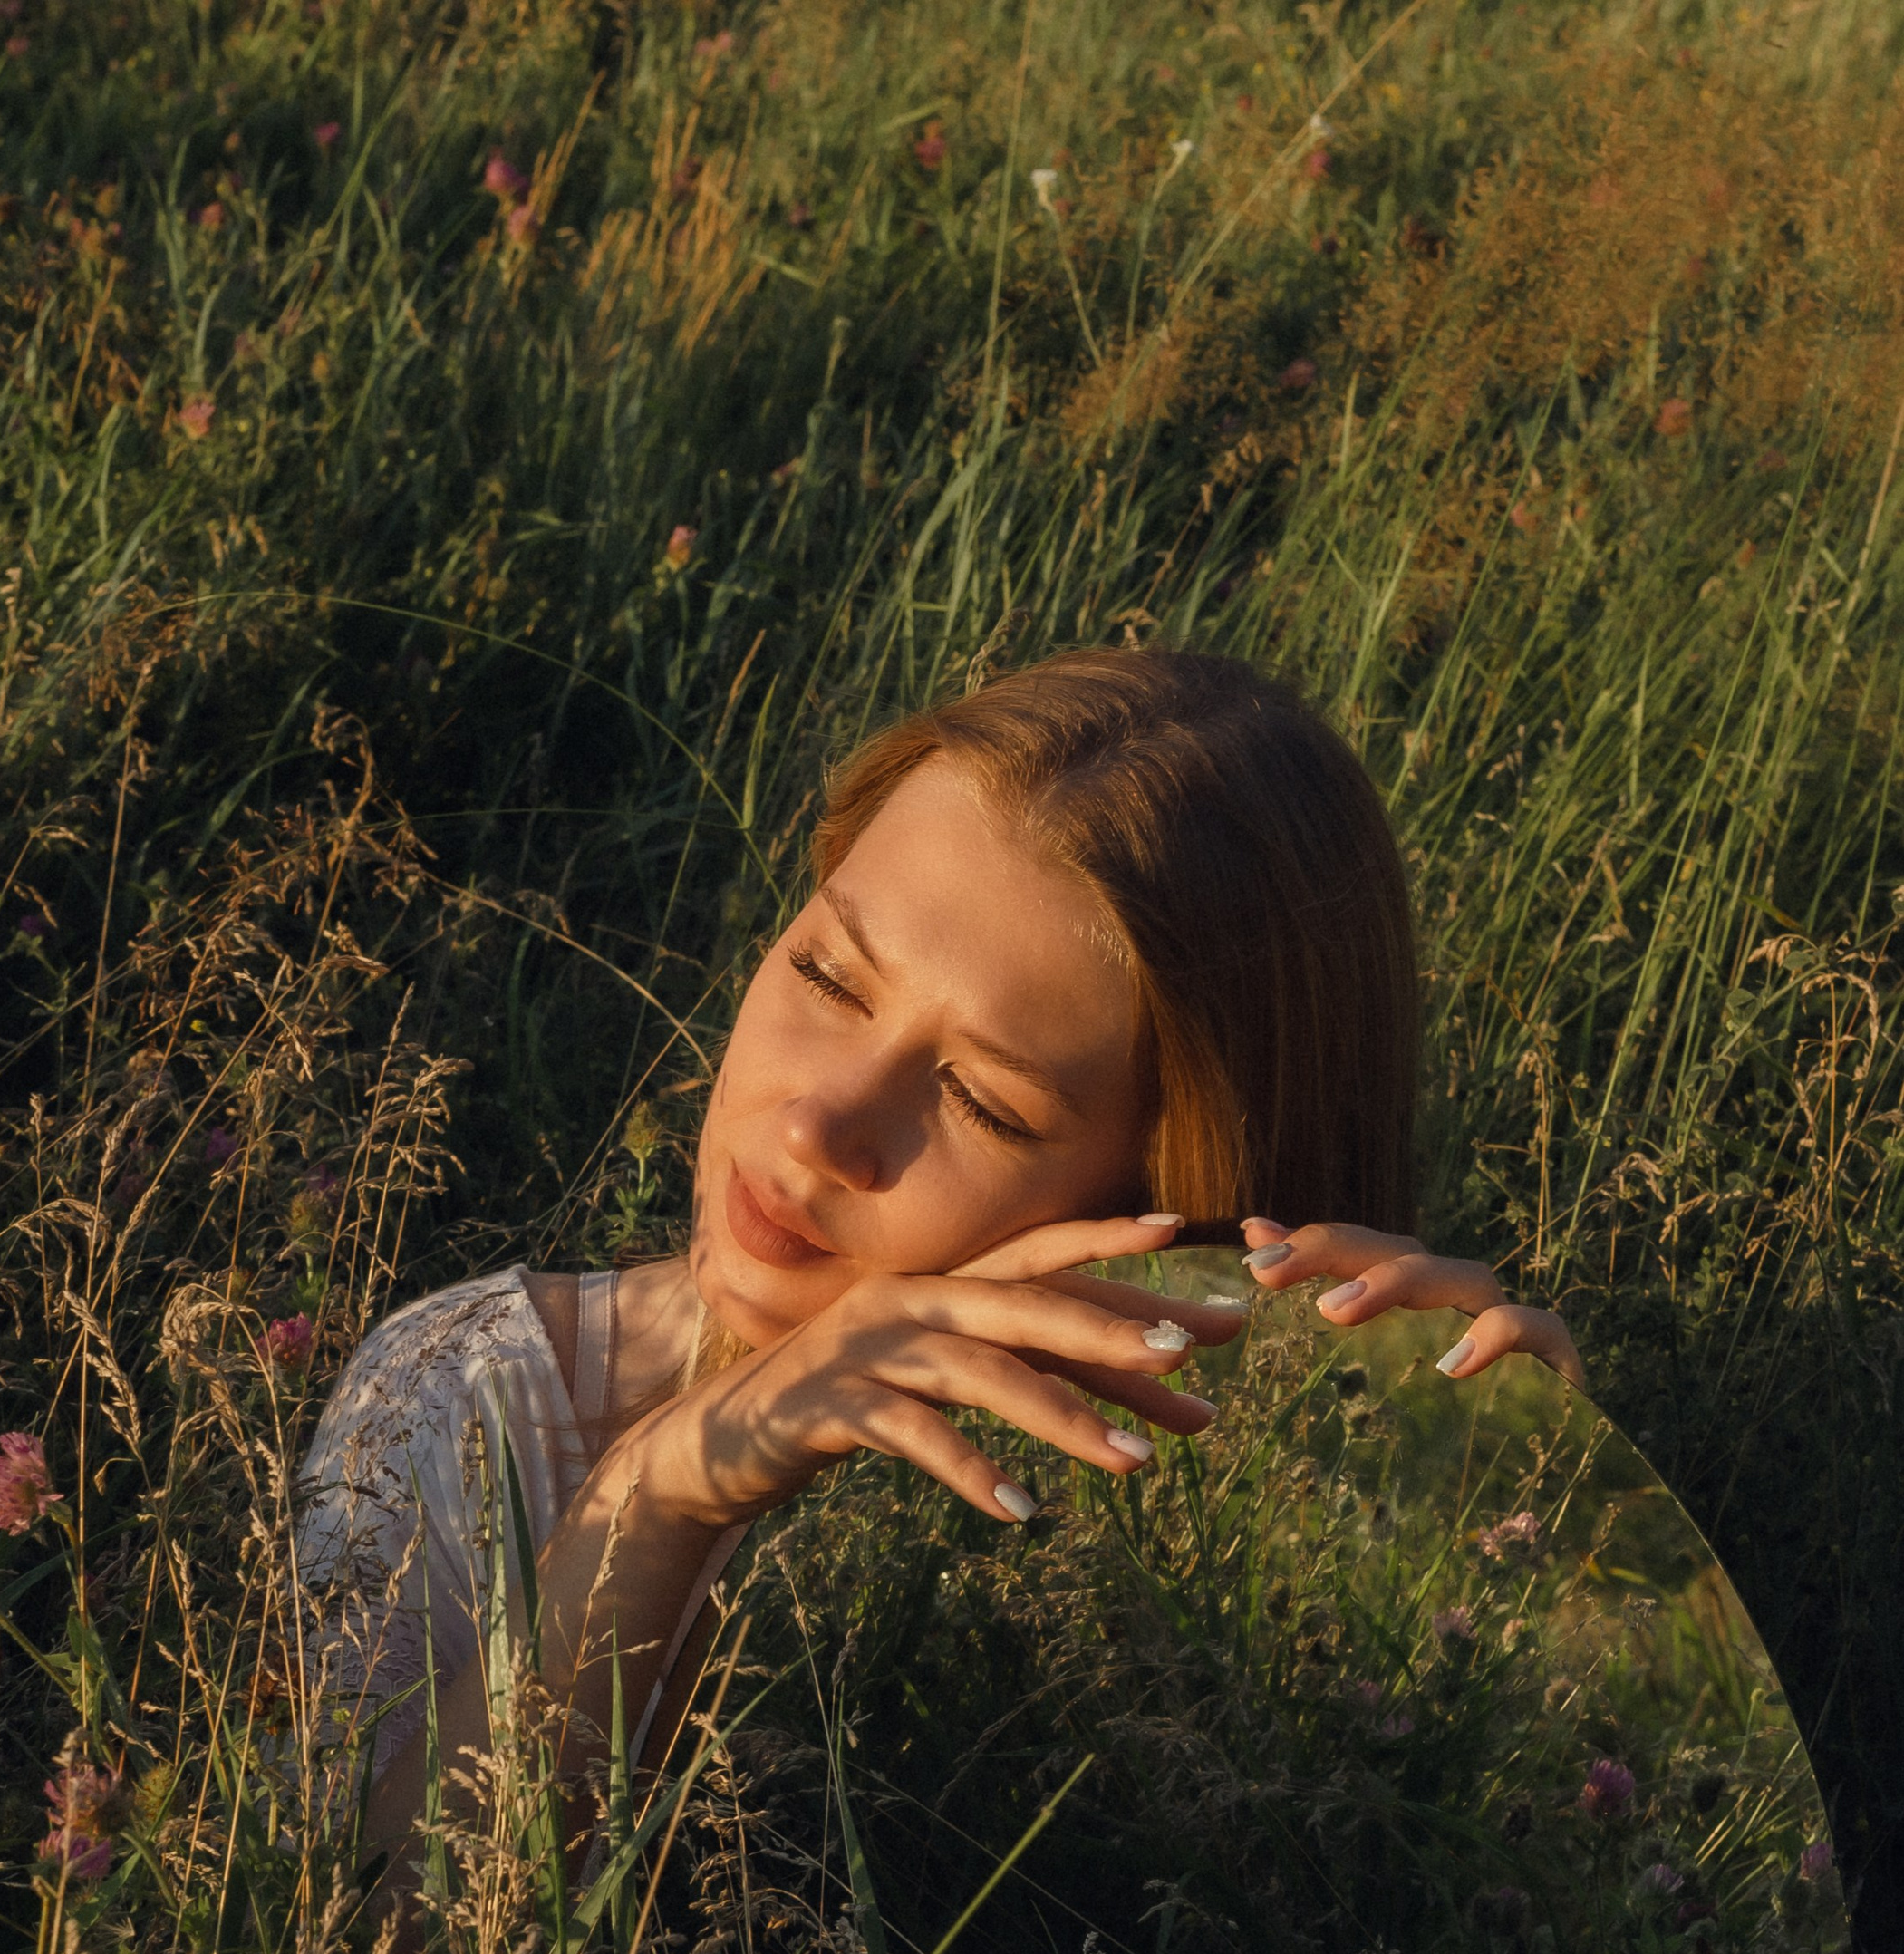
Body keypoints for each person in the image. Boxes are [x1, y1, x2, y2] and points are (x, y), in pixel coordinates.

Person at [291, 644, 1583, 1862]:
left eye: (984, 1104)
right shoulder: (468, 1401)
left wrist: (1516, 1510)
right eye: (829, 975)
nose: (816, 1122)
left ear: (1176, 1209)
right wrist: (656, 1501)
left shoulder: (1224, 1555)